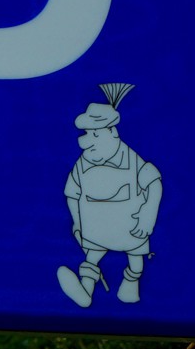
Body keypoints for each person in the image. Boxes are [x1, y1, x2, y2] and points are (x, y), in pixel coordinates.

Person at [58, 83, 162, 307]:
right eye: (87, 134)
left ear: (112, 132)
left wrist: (147, 216)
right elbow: (72, 193)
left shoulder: (131, 159)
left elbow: (154, 183)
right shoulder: (83, 163)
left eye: (95, 134)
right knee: (91, 258)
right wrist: (77, 223)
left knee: (136, 264)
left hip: (131, 228)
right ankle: (85, 292)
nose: (88, 141)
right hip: (96, 228)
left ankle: (130, 284)